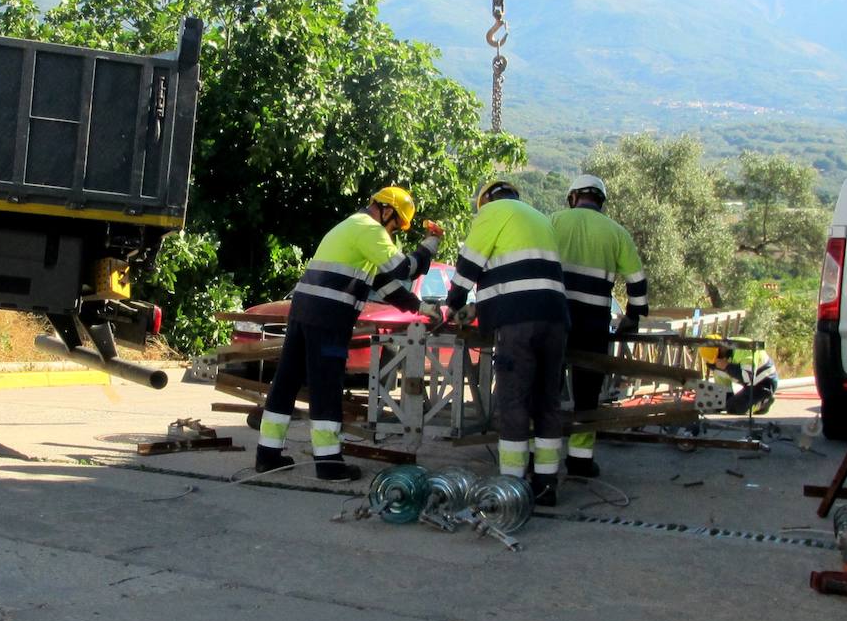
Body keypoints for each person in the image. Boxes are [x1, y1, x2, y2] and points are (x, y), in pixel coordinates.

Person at [255, 186, 442, 482]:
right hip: (328, 317)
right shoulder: (369, 229)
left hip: (303, 311)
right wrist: (429, 246)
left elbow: (385, 286)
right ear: (387, 211)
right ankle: (329, 464)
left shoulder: (351, 228)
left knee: (286, 381)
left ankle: (267, 455)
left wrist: (420, 307)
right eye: (396, 226)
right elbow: (404, 269)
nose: (394, 234)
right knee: (327, 386)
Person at [446, 180, 569, 506]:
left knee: (513, 401)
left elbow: (468, 265)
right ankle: (546, 485)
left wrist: (453, 303)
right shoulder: (539, 217)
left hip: (518, 322)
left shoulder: (491, 213)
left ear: (486, 200)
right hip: (556, 319)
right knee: (547, 401)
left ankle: (511, 486)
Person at [549, 174, 648, 479]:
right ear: (601, 202)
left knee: (546, 390)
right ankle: (580, 461)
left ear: (572, 197)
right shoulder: (616, 233)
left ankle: (542, 460)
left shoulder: (553, 221)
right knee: (587, 395)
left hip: (554, 318)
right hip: (593, 324)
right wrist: (632, 317)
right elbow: (637, 282)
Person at [698, 335, 778, 415]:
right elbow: (721, 377)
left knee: (735, 408)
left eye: (718, 357)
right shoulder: (721, 355)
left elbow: (747, 377)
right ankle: (730, 402)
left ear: (722, 348)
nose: (717, 361)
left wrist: (727, 366)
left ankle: (763, 403)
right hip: (749, 382)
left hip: (764, 382)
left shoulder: (744, 348)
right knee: (721, 404)